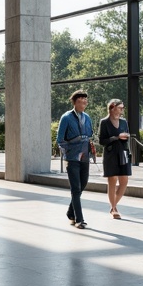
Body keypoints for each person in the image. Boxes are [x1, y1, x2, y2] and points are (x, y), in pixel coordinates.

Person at [56, 90, 96, 229]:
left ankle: (70, 212)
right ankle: (79, 219)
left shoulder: (87, 117)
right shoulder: (66, 117)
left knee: (83, 184)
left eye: (85, 100)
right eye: (80, 101)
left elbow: (90, 134)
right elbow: (60, 139)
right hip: (72, 157)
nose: (83, 103)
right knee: (75, 188)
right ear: (74, 102)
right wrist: (68, 150)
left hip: (85, 156)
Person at [98, 98, 131, 219]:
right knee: (112, 180)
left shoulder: (123, 122)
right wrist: (117, 137)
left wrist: (125, 136)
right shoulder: (104, 122)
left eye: (122, 108)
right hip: (110, 154)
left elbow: (127, 135)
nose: (122, 110)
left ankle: (113, 205)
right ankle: (114, 208)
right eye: (120, 107)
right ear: (112, 108)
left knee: (124, 181)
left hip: (122, 153)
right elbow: (102, 141)